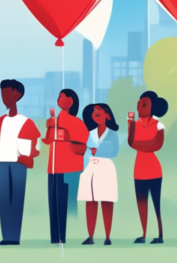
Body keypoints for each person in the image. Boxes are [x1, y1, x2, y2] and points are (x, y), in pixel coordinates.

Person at [0, 79, 41, 245]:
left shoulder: (25, 121)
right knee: (4, 199)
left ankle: (14, 237)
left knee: (17, 199)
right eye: (1, 93)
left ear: (17, 94)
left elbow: (37, 142)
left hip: (19, 163)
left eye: (6, 93)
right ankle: (6, 237)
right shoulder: (0, 121)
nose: (3, 97)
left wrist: (27, 155)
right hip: (2, 163)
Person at [41, 89, 87, 245]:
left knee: (66, 205)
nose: (60, 99)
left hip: (69, 169)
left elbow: (81, 148)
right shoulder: (54, 121)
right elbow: (47, 141)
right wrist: (49, 127)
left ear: (71, 101)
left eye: (63, 97)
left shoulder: (77, 123)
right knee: (53, 204)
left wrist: (64, 136)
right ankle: (54, 238)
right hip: (53, 168)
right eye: (59, 97)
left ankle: (65, 237)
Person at [128, 91, 168, 244]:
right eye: (139, 103)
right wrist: (130, 125)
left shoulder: (158, 125)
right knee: (141, 203)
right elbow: (130, 143)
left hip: (154, 170)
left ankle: (159, 235)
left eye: (144, 103)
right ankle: (143, 234)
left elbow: (156, 145)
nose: (140, 106)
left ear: (153, 106)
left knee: (156, 203)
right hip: (138, 170)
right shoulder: (135, 124)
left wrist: (139, 145)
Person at [78, 103, 120, 246]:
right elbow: (83, 148)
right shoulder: (89, 132)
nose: (95, 112)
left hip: (106, 168)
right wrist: (90, 151)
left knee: (106, 201)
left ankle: (107, 237)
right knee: (90, 201)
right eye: (94, 110)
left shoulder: (113, 133)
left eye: (99, 110)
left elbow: (115, 152)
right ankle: (90, 236)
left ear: (107, 115)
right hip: (90, 168)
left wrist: (100, 151)